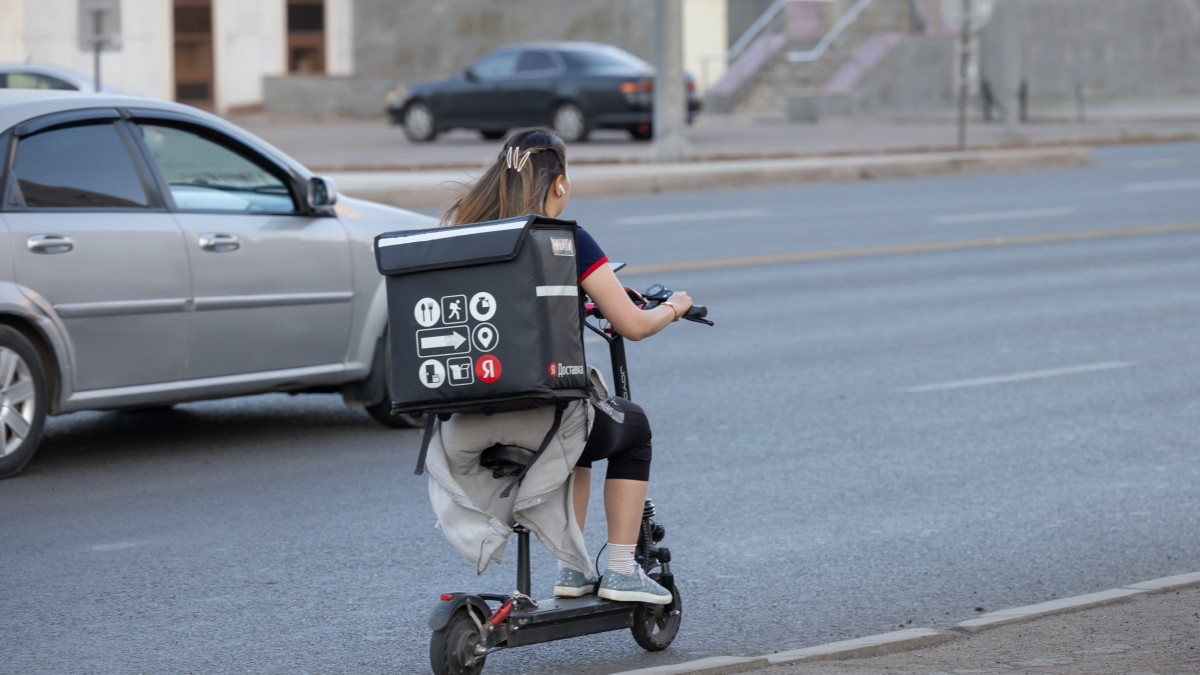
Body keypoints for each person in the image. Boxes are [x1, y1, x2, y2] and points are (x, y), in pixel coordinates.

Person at [440, 127, 692, 604]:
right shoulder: (567, 240)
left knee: (577, 431)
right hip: (541, 420)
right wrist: (675, 307)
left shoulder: (462, 236)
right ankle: (619, 568)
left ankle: (572, 568)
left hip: (467, 421)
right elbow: (633, 326)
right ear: (559, 183)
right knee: (630, 425)